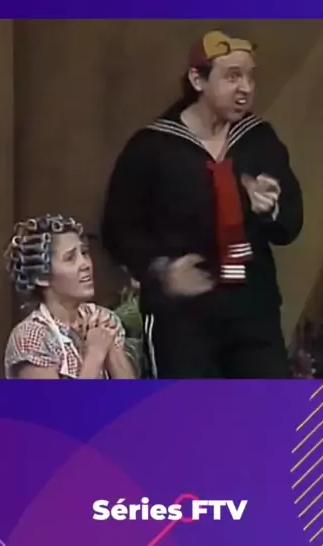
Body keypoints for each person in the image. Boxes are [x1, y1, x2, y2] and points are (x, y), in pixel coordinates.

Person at [102, 29, 303, 379]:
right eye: (232, 77)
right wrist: (161, 270)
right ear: (198, 79)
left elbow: (290, 224)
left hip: (253, 314)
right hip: (182, 319)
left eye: (250, 77)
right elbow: (118, 229)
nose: (246, 88)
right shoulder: (153, 147)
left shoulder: (259, 140)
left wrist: (270, 208)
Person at [4, 214, 136, 379]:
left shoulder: (101, 318)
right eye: (70, 258)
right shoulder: (31, 337)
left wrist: (111, 346)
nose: (85, 264)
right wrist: (95, 354)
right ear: (41, 277)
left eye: (84, 253)